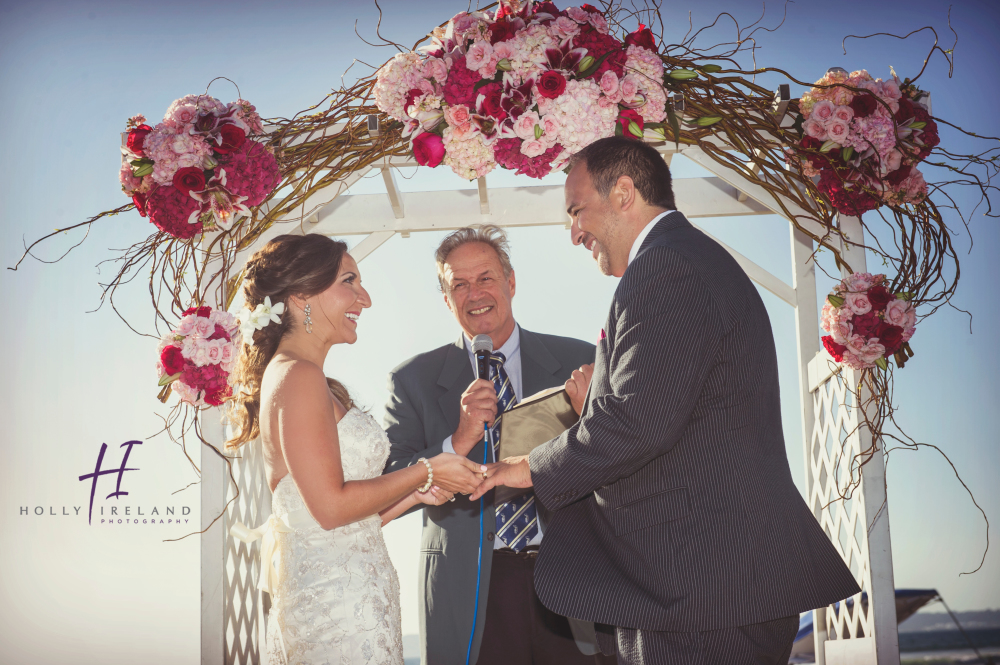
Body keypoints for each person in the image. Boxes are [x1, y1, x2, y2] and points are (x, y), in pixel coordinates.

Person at [473, 137, 862, 665]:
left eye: (576, 210)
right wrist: (599, 406)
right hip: (704, 586)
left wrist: (522, 469)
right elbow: (675, 412)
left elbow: (637, 421)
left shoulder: (666, 268)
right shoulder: (682, 259)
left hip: (703, 588)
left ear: (625, 193)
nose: (573, 233)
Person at [226, 234, 486, 665]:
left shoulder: (304, 378)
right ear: (301, 295)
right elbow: (331, 507)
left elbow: (339, 523)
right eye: (350, 281)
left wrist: (414, 495)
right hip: (337, 611)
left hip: (354, 597)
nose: (364, 299)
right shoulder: (298, 376)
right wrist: (426, 471)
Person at [383, 225, 609, 665]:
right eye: (459, 285)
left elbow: (622, 454)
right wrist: (460, 437)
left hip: (571, 574)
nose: (474, 293)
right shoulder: (411, 380)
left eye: (485, 278)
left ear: (510, 282)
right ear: (447, 300)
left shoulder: (579, 360)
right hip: (470, 587)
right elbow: (391, 485)